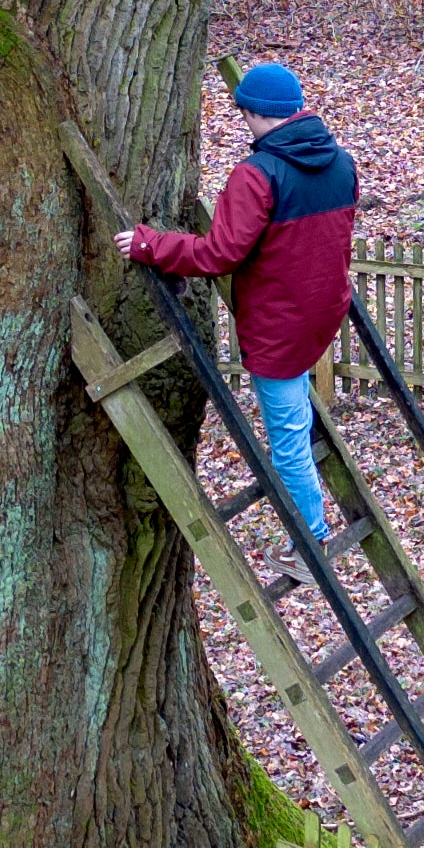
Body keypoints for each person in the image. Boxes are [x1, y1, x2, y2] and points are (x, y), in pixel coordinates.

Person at [117, 63, 358, 539]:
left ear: (254, 113)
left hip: (279, 331)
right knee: (294, 415)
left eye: (244, 114)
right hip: (322, 313)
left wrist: (151, 245)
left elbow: (219, 254)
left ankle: (312, 537)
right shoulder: (341, 162)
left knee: (288, 441)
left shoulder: (257, 175)